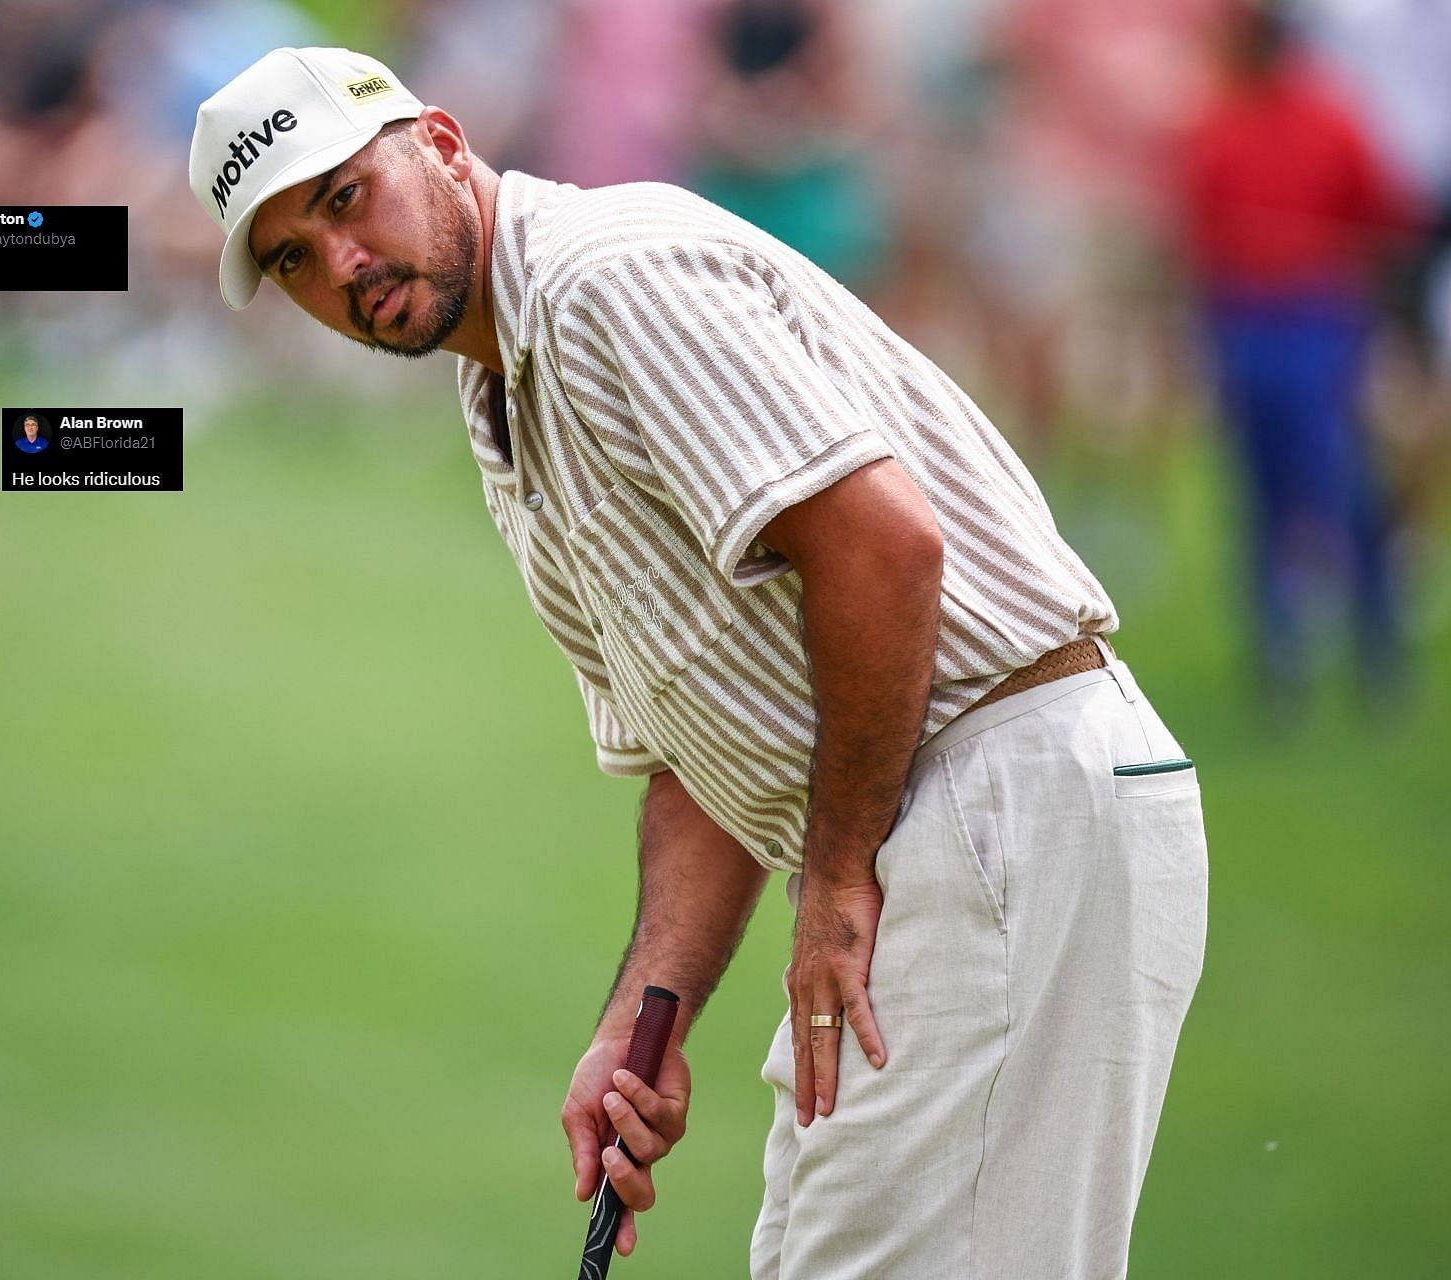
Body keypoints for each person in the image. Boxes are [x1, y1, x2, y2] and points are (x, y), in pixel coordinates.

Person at [189, 47, 1208, 1278]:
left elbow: (884, 548)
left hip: (1001, 798)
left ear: (443, 146)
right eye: (293, 254)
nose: (342, 264)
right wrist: (642, 1014)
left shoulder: (601, 284)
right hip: (952, 815)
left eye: (346, 197)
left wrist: (831, 876)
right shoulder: (502, 389)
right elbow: (696, 754)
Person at [1175, 3, 1418, 702]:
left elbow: (1379, 215)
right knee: (1265, 489)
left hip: (1310, 313)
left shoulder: (1313, 118)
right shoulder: (1230, 125)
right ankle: (1283, 657)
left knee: (1332, 484)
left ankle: (1369, 643)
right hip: (1255, 316)